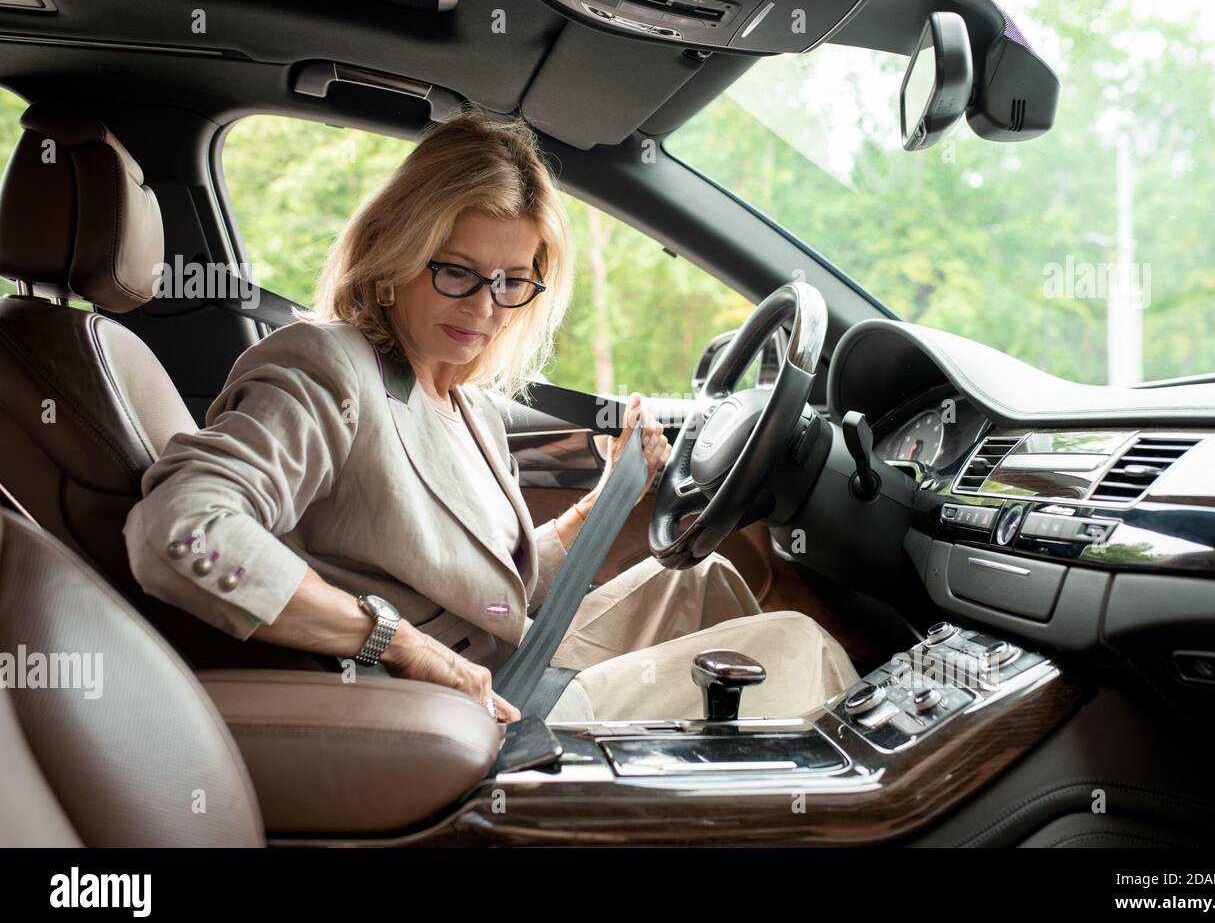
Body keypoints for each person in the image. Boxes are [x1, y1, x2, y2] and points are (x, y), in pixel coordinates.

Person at [123, 105, 859, 724]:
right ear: (392, 255)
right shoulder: (324, 366)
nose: (484, 308)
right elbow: (182, 530)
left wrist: (604, 501)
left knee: (704, 584)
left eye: (511, 281)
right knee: (794, 644)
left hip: (508, 658)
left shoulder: (459, 400)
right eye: (456, 272)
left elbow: (495, 593)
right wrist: (395, 640)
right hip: (451, 713)